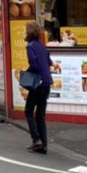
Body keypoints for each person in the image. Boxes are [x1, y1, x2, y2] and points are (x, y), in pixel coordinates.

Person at [23, 21, 54, 154]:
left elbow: (34, 66)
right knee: (40, 115)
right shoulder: (41, 46)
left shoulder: (30, 47)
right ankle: (44, 144)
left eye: (25, 31)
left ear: (29, 32)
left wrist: (26, 73)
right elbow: (48, 61)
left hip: (38, 83)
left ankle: (36, 140)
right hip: (47, 83)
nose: (23, 33)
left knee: (29, 111)